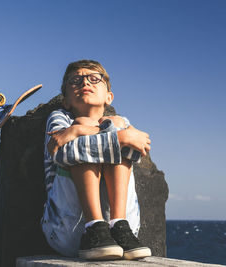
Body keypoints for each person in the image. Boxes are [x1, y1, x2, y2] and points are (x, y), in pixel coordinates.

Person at [41, 60, 152, 260]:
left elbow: (138, 149)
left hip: (124, 237)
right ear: (65, 100)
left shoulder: (122, 123)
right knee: (91, 131)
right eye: (75, 80)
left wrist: (79, 131)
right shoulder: (59, 118)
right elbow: (62, 153)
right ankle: (95, 227)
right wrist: (118, 137)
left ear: (109, 97)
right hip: (67, 229)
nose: (85, 83)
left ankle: (118, 223)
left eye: (94, 78)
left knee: (114, 125)